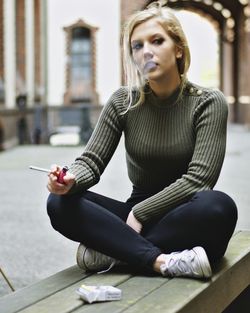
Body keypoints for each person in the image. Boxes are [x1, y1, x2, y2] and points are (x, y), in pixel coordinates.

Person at [47, 1, 237, 279]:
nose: (146, 51)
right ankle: (160, 261)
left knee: (219, 207)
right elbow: (91, 161)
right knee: (59, 202)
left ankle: (114, 250)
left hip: (181, 213)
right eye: (137, 46)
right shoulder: (122, 101)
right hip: (133, 214)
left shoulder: (208, 102)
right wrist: (69, 179)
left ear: (179, 48)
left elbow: (200, 180)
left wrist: (139, 215)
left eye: (157, 41)